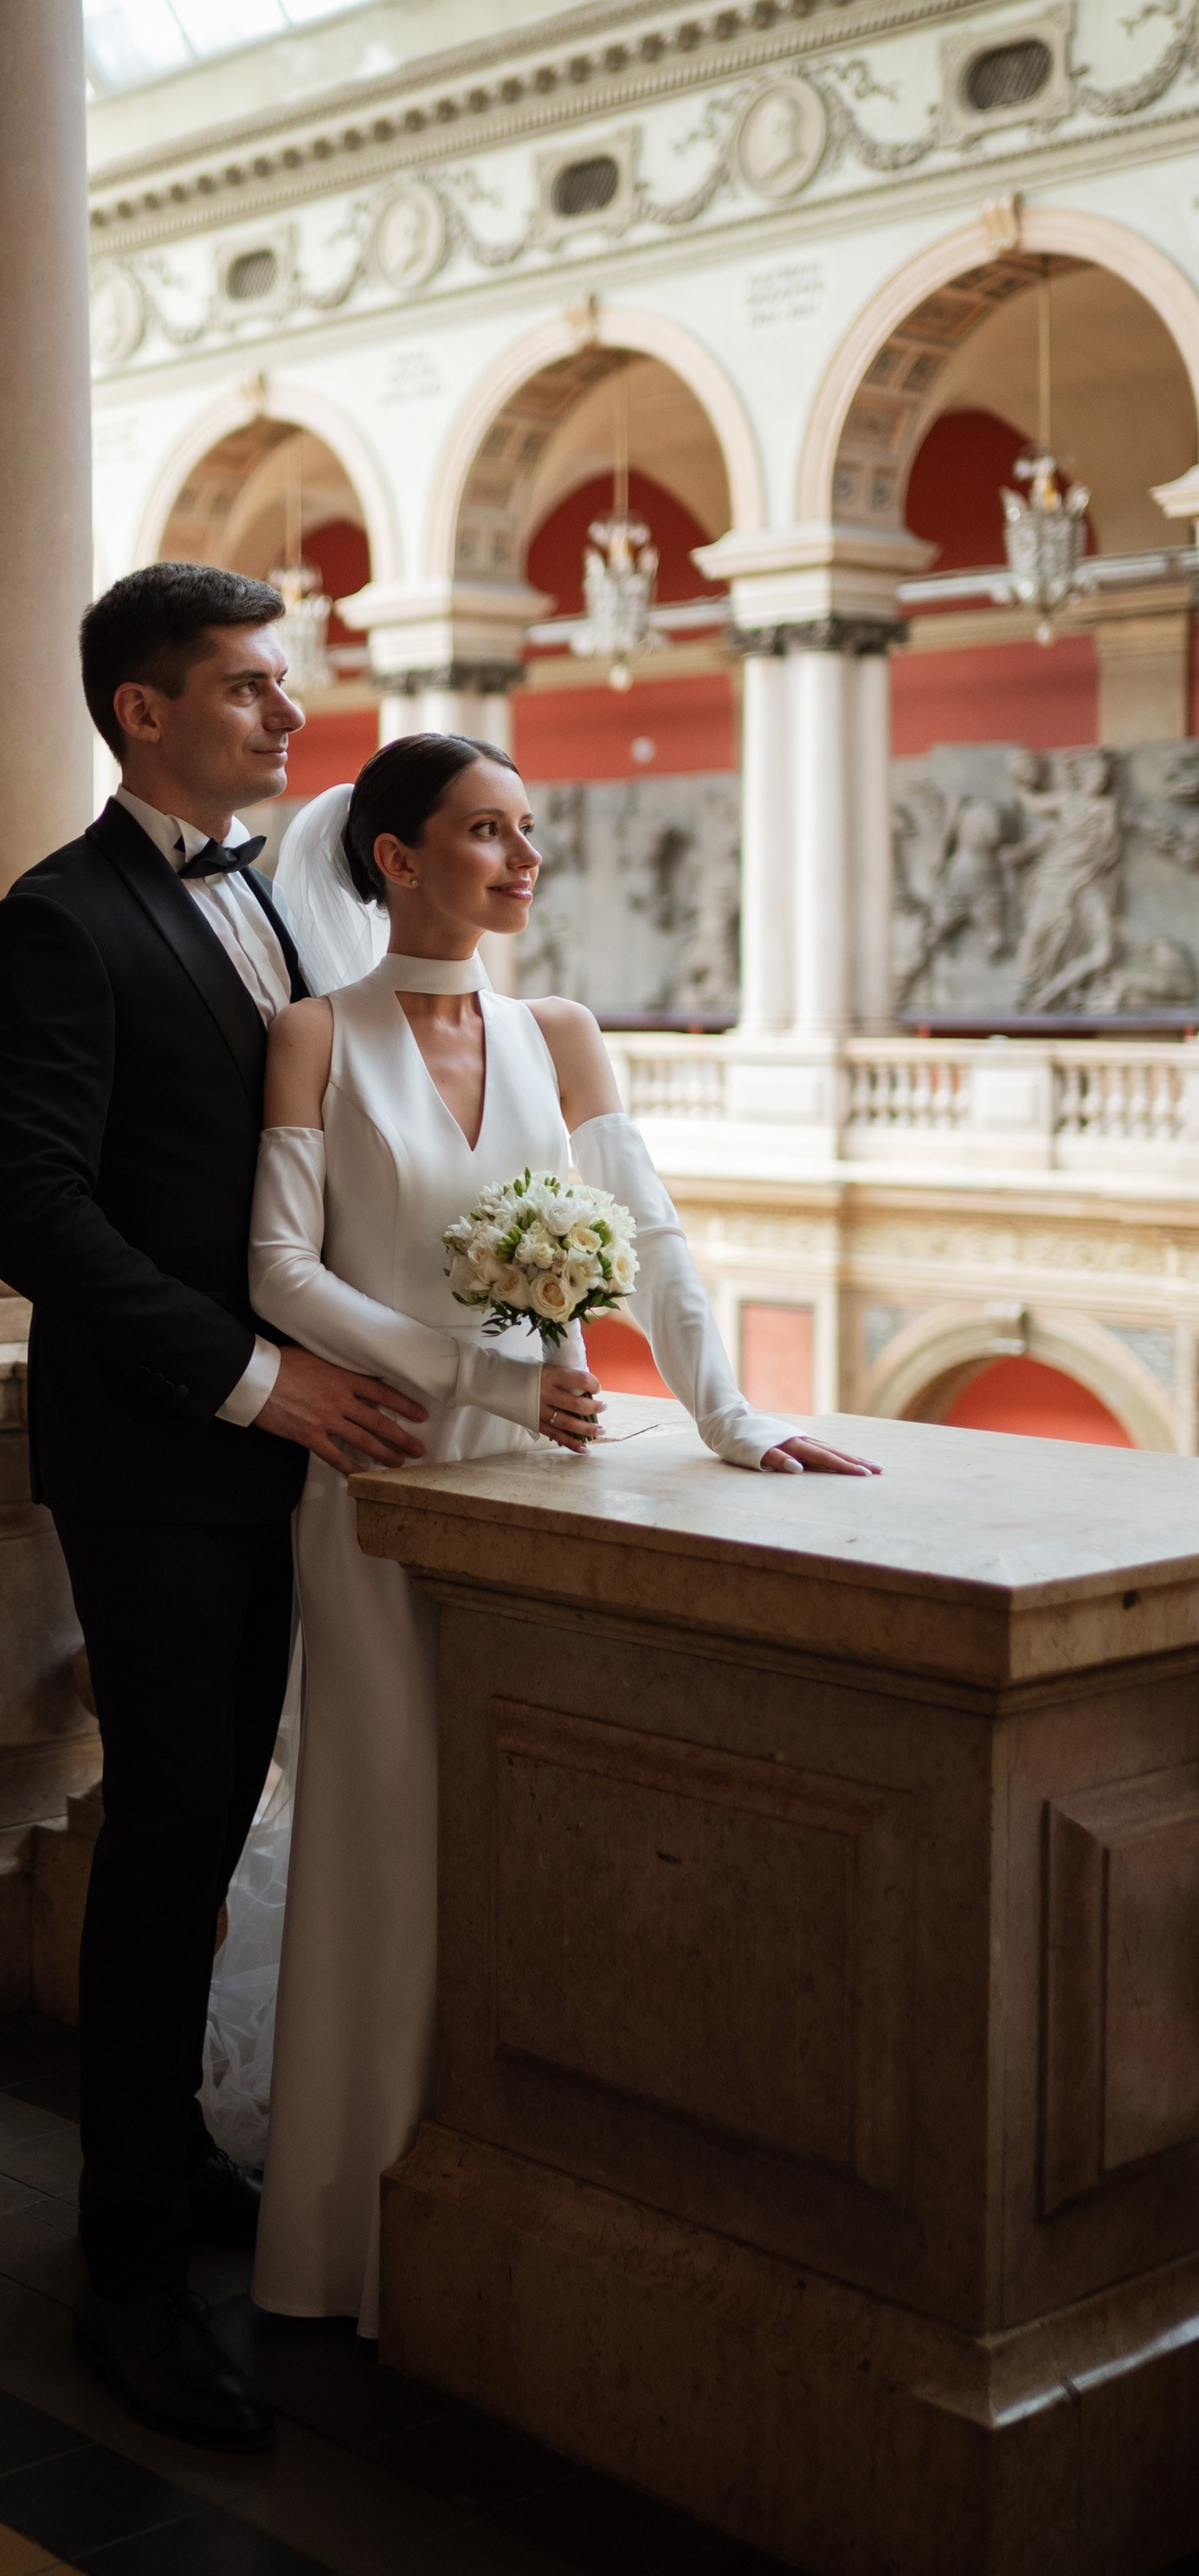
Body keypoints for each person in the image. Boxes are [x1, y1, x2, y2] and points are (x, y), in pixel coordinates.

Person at [249, 737, 880, 2337]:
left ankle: (509, 2220)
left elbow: (649, 1244)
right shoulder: (315, 1035)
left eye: (529, 829)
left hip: (543, 1483)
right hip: (382, 1477)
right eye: (488, 831)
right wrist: (480, 1376)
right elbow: (278, 1271)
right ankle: (344, 2243)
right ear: (396, 859)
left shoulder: (563, 1034)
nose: (526, 857)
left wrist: (734, 1417)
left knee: (522, 1852)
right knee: (383, 1842)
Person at [0, 564, 431, 2454]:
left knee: (227, 1822)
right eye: (246, 685)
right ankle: (129, 2279)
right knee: (169, 1844)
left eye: (283, 682)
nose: (287, 714)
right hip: (163, 1460)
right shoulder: (54, 922)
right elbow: (31, 1213)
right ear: (141, 711)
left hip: (291, 1457)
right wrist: (258, 1378)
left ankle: (178, 2163)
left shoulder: (294, 902)